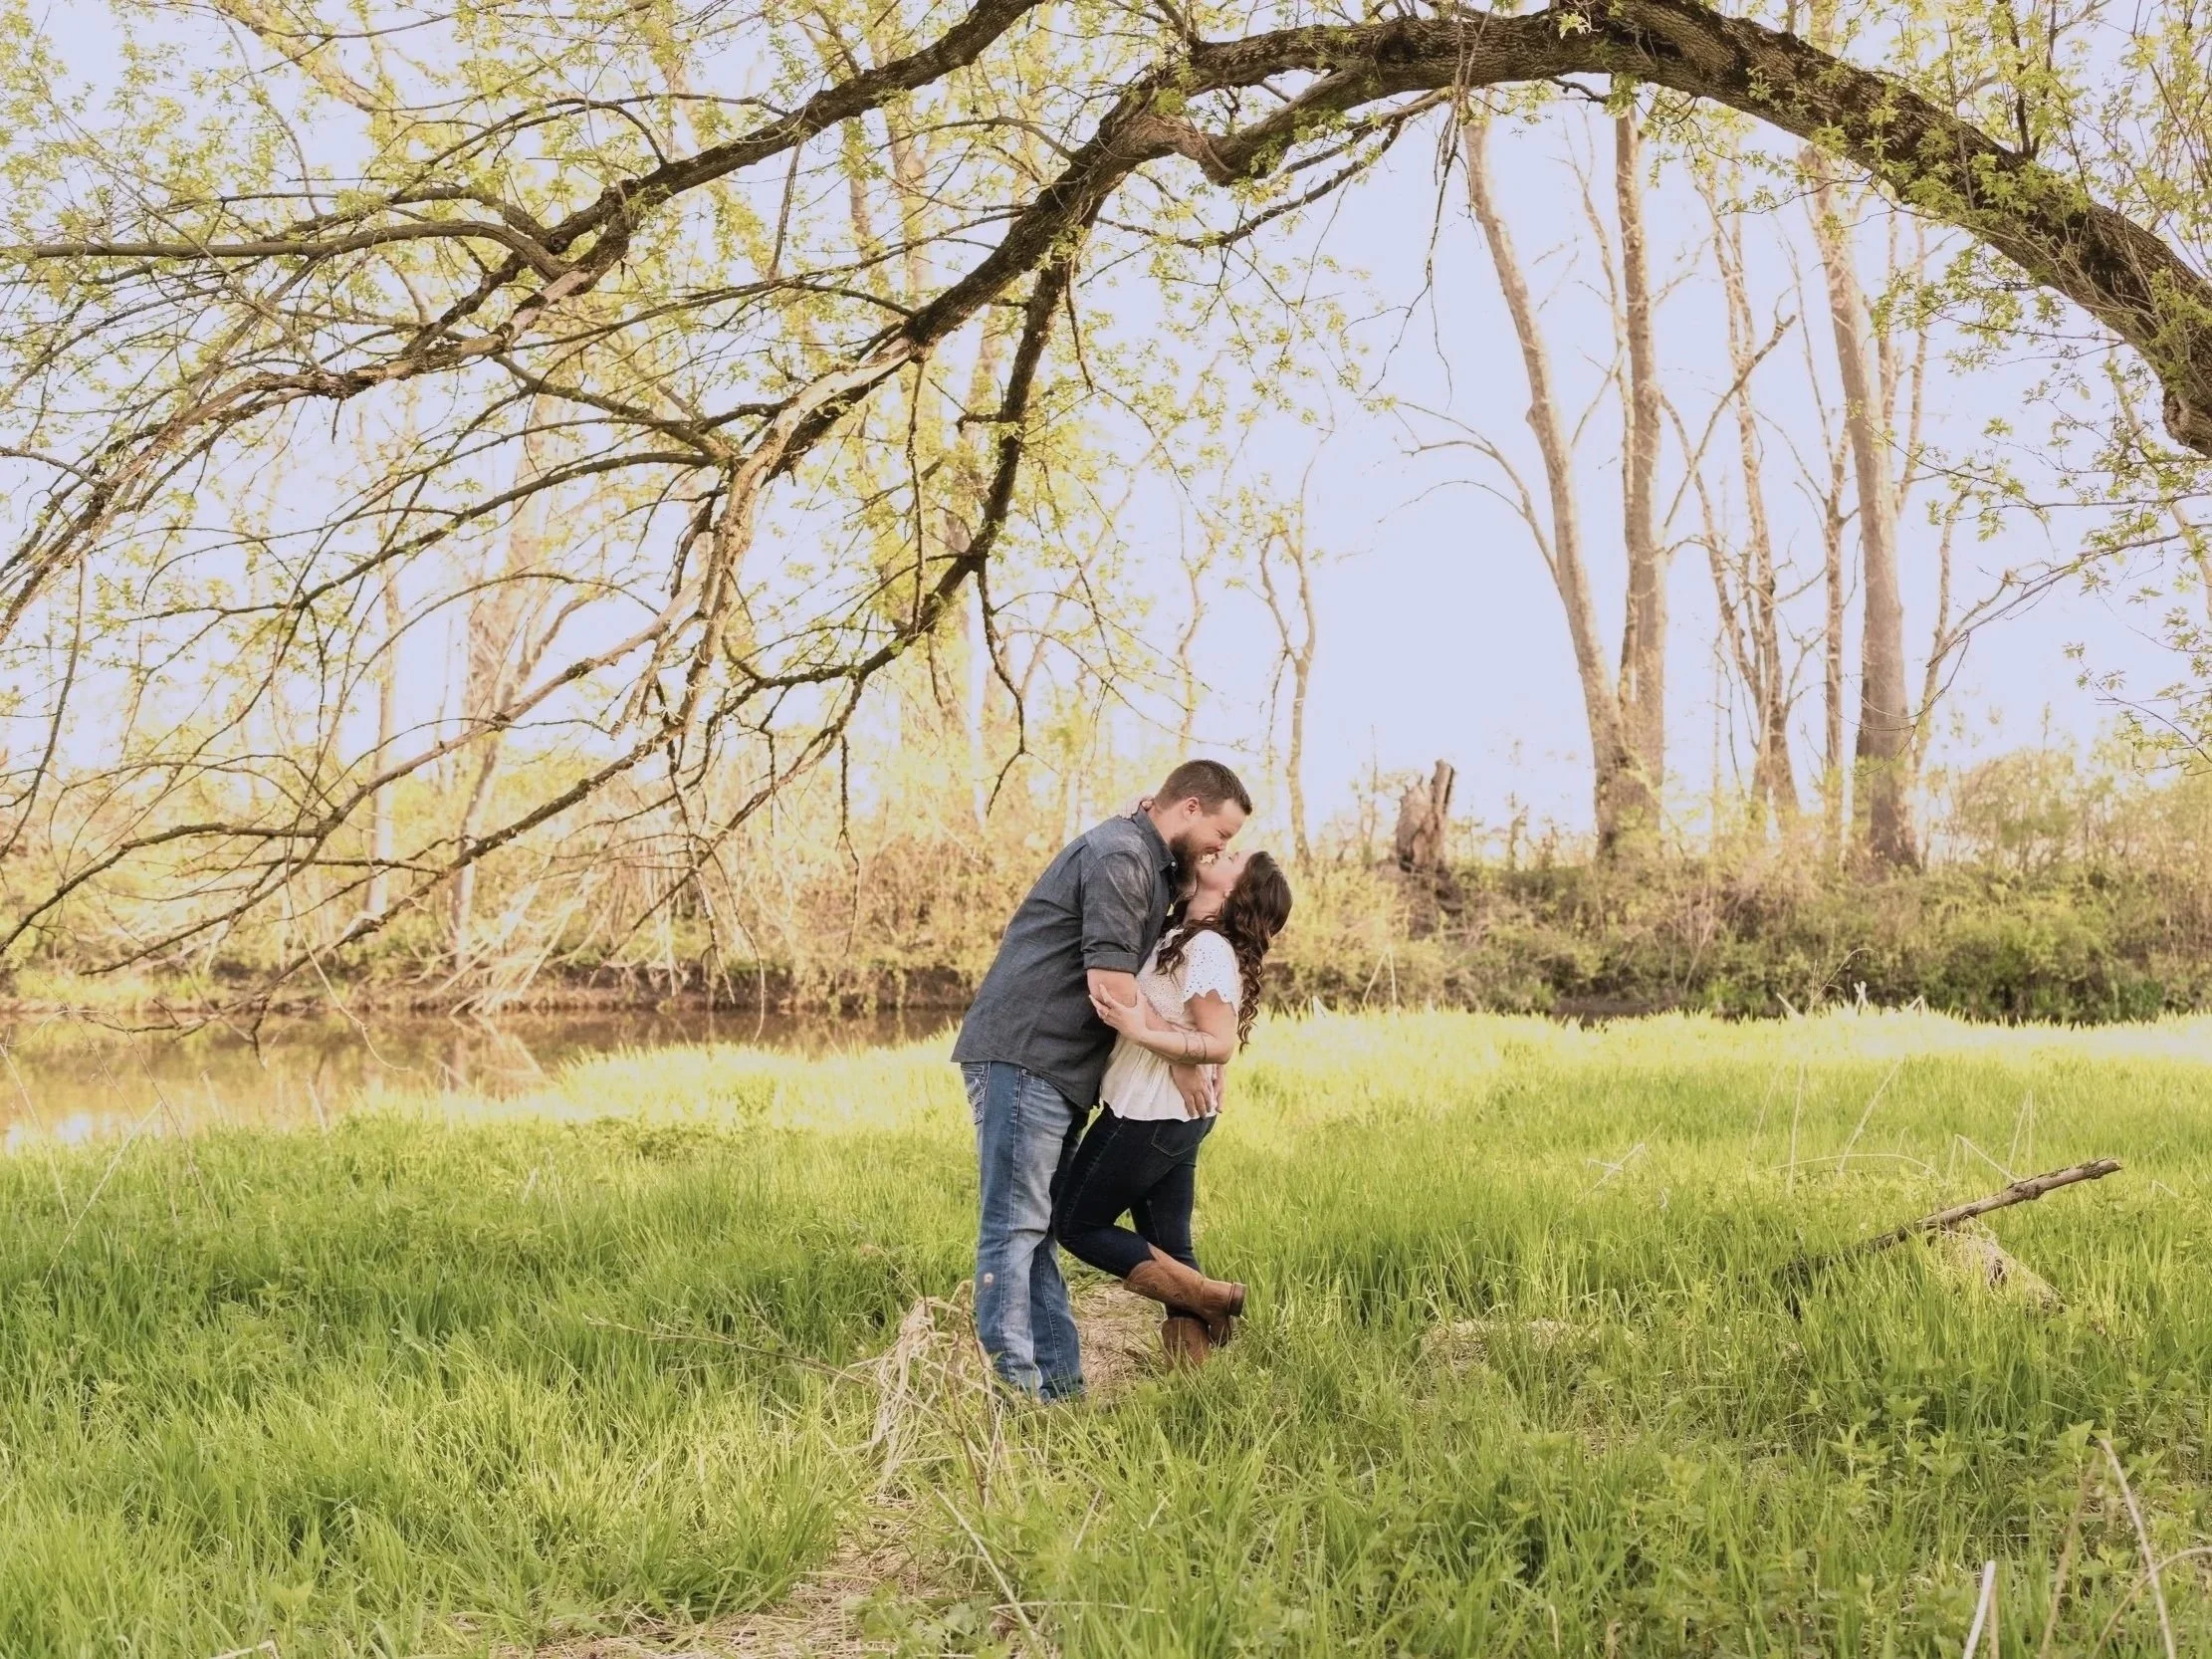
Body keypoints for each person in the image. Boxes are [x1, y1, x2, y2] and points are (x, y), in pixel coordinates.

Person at [952, 760, 1252, 1401]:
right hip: (1026, 1055)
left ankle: (1058, 1396)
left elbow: (1159, 957)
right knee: (1015, 1229)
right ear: (1192, 808)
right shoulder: (1123, 857)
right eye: (1221, 835)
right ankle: (1018, 1399)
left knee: (1035, 1229)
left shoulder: (1147, 856)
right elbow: (1112, 988)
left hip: (1060, 1070)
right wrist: (1180, 1054)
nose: (1220, 850)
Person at [1053, 848, 1293, 1366]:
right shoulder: (1181, 934)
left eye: (1236, 858)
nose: (1224, 851)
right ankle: (1193, 1378)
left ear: (1234, 893)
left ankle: (1212, 1296)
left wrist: (1146, 1034)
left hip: (1149, 1113)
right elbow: (1186, 1022)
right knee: (1170, 1246)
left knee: (1075, 1224)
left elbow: (1219, 1042)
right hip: (1175, 1114)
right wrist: (1174, 1046)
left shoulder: (1206, 947)